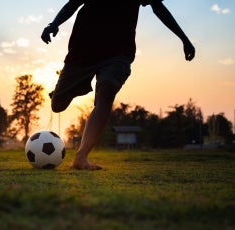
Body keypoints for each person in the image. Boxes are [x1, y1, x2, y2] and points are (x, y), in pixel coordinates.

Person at [41, 0, 195, 170]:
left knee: (106, 92)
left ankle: (81, 156)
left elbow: (158, 7)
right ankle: (62, 91)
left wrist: (184, 39)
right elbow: (73, 3)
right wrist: (54, 24)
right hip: (83, 49)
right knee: (57, 105)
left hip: (118, 52)